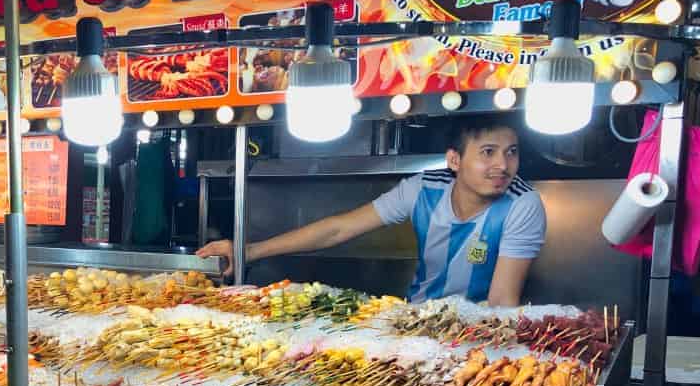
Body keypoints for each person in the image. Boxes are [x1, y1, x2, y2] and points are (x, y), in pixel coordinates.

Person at [197, 117, 547, 306]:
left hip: (483, 334)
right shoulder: (423, 189)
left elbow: (502, 302)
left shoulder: (522, 204)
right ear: (454, 160)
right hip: (418, 321)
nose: (503, 165)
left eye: (511, 152)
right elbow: (339, 229)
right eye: (488, 152)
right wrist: (249, 251)